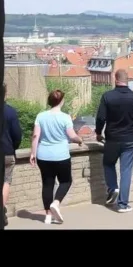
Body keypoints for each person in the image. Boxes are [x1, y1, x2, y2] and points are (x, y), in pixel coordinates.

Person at [95, 69, 133, 213]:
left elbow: (100, 118)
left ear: (115, 78)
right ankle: (123, 204)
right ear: (128, 79)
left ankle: (113, 187)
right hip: (130, 140)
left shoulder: (107, 97)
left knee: (108, 163)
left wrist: (98, 133)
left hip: (112, 138)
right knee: (126, 171)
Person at [30, 89, 83, 224]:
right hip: (61, 156)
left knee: (47, 184)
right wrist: (80, 140)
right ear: (61, 101)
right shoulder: (65, 117)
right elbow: (72, 136)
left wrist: (33, 153)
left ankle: (48, 215)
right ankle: (56, 202)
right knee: (66, 181)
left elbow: (36, 136)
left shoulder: (40, 116)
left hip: (43, 155)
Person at [1, 85, 23, 226]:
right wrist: (13, 147)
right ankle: (0, 209)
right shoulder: (10, 112)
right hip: (7, 152)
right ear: (5, 94)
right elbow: (17, 135)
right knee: (6, 181)